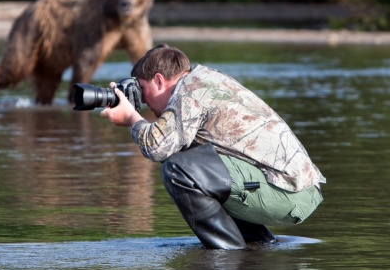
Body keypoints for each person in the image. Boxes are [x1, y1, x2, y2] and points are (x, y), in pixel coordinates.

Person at [101, 44, 325, 249]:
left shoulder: (190, 90)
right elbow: (169, 145)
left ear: (159, 80)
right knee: (192, 161)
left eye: (141, 90)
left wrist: (131, 117)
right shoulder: (203, 80)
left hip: (290, 191)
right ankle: (257, 245)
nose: (143, 101)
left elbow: (157, 147)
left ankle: (228, 254)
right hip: (294, 188)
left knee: (178, 168)